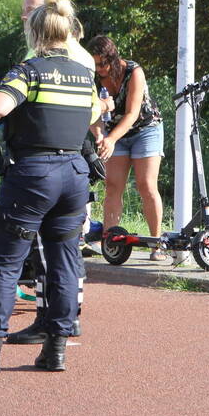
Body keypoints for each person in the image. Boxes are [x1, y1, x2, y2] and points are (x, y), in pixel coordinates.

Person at [0, 0, 94, 375]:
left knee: (7, 262)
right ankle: (56, 348)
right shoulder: (85, 74)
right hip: (75, 175)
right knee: (65, 262)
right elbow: (94, 114)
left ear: (36, 33)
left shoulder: (28, 70)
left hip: (33, 173)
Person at [86, 35, 165, 260]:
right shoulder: (91, 77)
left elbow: (131, 114)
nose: (100, 69)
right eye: (95, 65)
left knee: (146, 184)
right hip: (113, 133)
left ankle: (156, 245)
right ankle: (111, 243)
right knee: (112, 186)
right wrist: (101, 136)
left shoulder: (133, 72)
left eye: (103, 64)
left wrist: (111, 139)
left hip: (145, 130)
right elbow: (92, 112)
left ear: (113, 58)